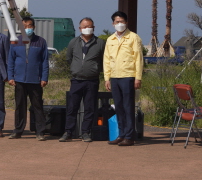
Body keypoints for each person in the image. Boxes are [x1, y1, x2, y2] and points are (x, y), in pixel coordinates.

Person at [60, 17, 105, 143]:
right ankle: (68, 132)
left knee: (90, 108)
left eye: (89, 26)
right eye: (84, 27)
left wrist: (95, 69)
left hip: (92, 81)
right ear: (80, 28)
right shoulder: (73, 42)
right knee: (72, 107)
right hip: (76, 80)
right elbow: (69, 58)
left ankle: (85, 133)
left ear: (94, 27)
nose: (87, 28)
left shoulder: (100, 43)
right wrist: (77, 69)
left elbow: (104, 61)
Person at [103, 11, 144, 146]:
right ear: (113, 23)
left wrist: (138, 77)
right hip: (114, 77)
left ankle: (129, 136)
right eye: (117, 22)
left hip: (128, 76)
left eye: (122, 21)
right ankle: (121, 134)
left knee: (128, 106)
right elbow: (107, 60)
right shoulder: (110, 39)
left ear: (126, 22)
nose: (119, 24)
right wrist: (107, 78)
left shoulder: (133, 37)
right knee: (118, 107)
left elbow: (138, 58)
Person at [7, 17, 49, 141]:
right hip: (19, 79)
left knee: (37, 106)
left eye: (29, 26)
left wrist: (44, 77)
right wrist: (10, 76)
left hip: (35, 80)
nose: (27, 28)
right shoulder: (15, 41)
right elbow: (11, 60)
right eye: (24, 26)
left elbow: (44, 61)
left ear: (34, 27)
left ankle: (40, 132)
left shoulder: (40, 41)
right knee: (20, 106)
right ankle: (18, 131)